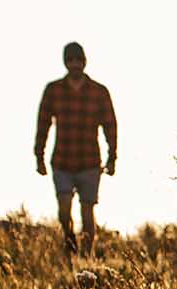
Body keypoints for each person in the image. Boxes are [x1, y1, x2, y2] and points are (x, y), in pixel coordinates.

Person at [34, 42, 117, 257]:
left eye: (78, 60)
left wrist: (112, 158)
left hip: (89, 162)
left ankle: (86, 257)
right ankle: (69, 243)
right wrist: (39, 157)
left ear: (84, 62)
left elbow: (110, 126)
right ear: (66, 62)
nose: (75, 64)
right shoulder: (54, 90)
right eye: (70, 60)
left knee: (87, 211)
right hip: (62, 160)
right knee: (64, 209)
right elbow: (43, 123)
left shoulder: (99, 92)